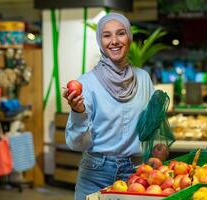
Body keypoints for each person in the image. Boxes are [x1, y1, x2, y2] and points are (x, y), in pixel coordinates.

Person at [63, 12, 155, 200]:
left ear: (128, 37)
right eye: (107, 35)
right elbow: (76, 143)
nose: (114, 41)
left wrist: (157, 155)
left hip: (136, 174)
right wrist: (78, 112)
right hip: (95, 173)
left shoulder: (144, 79)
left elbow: (153, 126)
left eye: (120, 33)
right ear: (100, 41)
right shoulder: (87, 83)